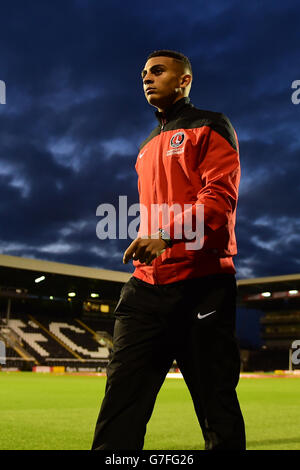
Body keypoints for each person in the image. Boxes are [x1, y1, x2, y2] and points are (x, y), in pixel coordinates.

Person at [91, 50, 246, 451]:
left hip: (203, 286)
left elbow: (218, 201)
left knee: (218, 412)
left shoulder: (211, 125)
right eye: (143, 73)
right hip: (146, 290)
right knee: (119, 409)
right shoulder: (144, 148)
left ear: (184, 80)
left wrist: (165, 233)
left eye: (158, 71)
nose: (147, 78)